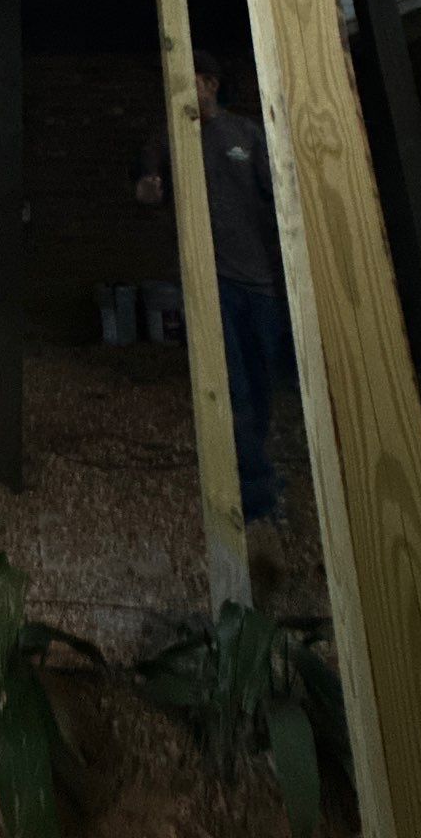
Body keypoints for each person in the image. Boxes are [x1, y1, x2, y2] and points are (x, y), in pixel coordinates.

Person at [135, 49, 286, 526]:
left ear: (212, 84)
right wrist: (148, 189)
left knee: (262, 387)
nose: (184, 93)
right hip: (212, 281)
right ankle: (255, 498)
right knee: (233, 385)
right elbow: (146, 186)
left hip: (260, 282)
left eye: (192, 82)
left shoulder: (246, 135)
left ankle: (254, 472)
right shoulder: (168, 138)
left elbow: (277, 193)